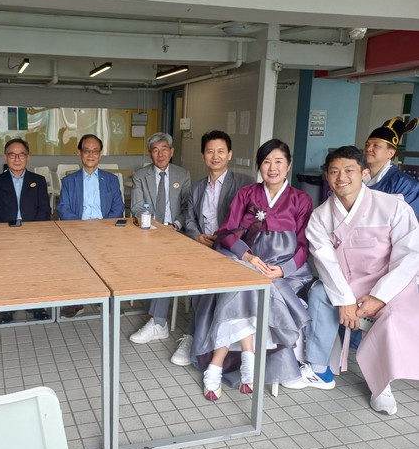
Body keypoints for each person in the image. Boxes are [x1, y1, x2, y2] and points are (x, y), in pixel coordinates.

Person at [283, 146, 419, 415]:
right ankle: (319, 369)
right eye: (334, 171)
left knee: (392, 316)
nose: (341, 177)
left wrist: (379, 296)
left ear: (364, 173)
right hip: (346, 282)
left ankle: (381, 385)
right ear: (326, 175)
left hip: (388, 284)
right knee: (320, 294)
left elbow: (409, 255)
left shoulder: (393, 206)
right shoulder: (321, 216)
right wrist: (345, 300)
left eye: (349, 170)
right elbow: (325, 263)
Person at [191, 138, 313, 401]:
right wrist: (246, 256)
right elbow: (226, 232)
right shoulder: (247, 194)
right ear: (259, 166)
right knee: (244, 280)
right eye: (266, 162)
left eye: (278, 161)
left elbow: (304, 245)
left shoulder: (301, 200)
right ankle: (248, 357)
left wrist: (282, 270)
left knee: (245, 285)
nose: (272, 168)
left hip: (281, 269)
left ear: (288, 165)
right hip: (245, 259)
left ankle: (217, 363)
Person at [166, 130, 254, 367]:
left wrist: (225, 241)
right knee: (197, 281)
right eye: (210, 151)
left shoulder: (244, 183)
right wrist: (196, 236)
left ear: (230, 154)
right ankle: (195, 337)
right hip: (203, 248)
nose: (215, 156)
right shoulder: (197, 187)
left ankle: (194, 336)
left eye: (221, 151)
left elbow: (249, 221)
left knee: (212, 284)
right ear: (203, 155)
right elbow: (190, 218)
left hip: (232, 250)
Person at [128, 132, 191, 344]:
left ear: (172, 152)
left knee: (166, 264)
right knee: (161, 264)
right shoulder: (140, 175)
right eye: (155, 150)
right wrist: (154, 226)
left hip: (177, 234)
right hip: (150, 233)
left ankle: (158, 323)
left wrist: (176, 225)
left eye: (164, 149)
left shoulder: (182, 175)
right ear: (150, 154)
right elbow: (137, 207)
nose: (160, 154)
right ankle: (158, 321)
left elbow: (188, 208)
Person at [0, 137, 51, 323]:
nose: (17, 158)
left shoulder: (38, 180)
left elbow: (45, 210)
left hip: (33, 232)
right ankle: (7, 307)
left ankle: (36, 305)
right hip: (5, 232)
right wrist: (5, 232)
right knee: (7, 268)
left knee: (34, 267)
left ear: (28, 157)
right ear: (5, 157)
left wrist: (31, 231)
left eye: (21, 154)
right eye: (12, 155)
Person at [57, 133, 124, 317]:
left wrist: (104, 226)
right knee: (73, 259)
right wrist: (80, 226)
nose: (91, 154)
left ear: (100, 154)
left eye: (95, 151)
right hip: (78, 229)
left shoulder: (111, 179)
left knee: (109, 261)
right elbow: (63, 208)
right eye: (86, 150)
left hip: (105, 230)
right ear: (79, 153)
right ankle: (76, 302)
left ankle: (109, 301)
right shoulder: (69, 181)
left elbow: (118, 207)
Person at [363, 116, 419, 218]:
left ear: (391, 153)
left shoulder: (405, 184)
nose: (368, 149)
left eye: (376, 145)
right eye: (367, 145)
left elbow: (411, 220)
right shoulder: (355, 175)